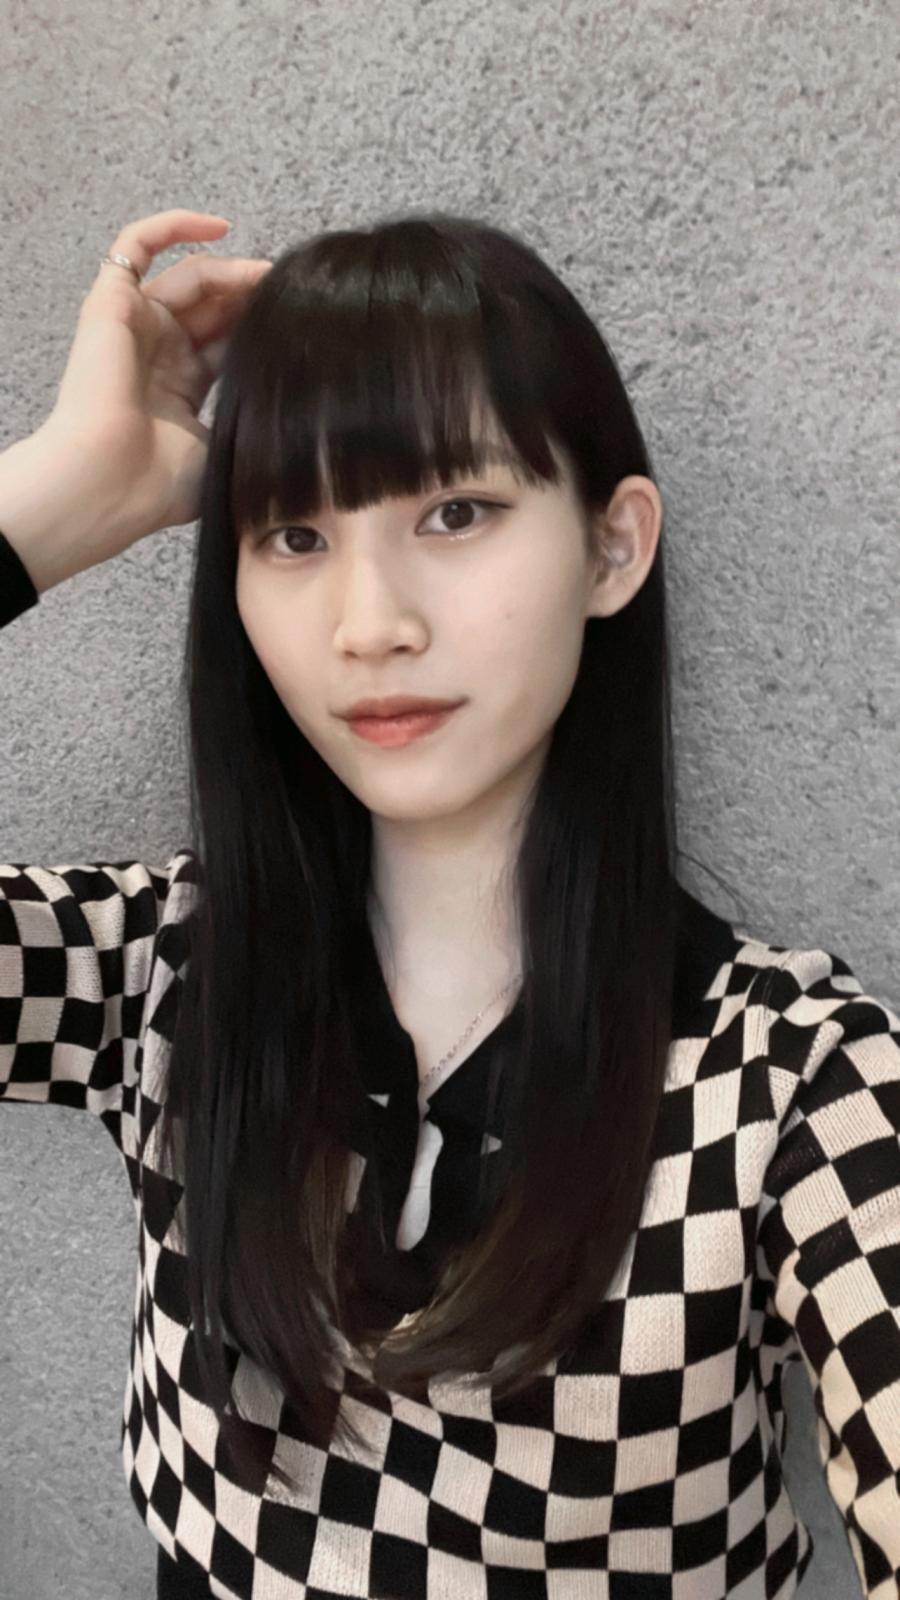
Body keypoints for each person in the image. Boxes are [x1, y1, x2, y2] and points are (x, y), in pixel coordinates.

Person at [1, 206, 898, 1600]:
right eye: (293, 535)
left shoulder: (789, 1085)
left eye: (456, 512)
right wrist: (56, 499)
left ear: (612, 548)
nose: (371, 624)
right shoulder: (162, 973)